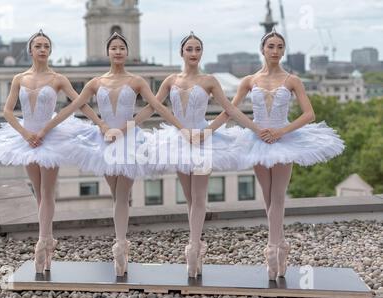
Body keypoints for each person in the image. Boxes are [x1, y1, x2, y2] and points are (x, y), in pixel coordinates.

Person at [36, 32, 187, 277]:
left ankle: (119, 245)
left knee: (122, 193)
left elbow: (156, 106)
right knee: (116, 194)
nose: (118, 51)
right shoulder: (95, 83)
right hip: (105, 140)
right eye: (114, 48)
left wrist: (179, 128)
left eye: (122, 48)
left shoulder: (137, 80)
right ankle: (120, 246)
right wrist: (47, 128)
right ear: (108, 52)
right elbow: (74, 106)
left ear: (126, 53)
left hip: (129, 141)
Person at [129, 32, 263, 278]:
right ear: (182, 52)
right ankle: (197, 245)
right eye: (189, 49)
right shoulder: (170, 80)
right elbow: (154, 107)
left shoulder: (210, 80)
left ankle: (192, 249)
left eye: (197, 49)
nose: (193, 53)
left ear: (201, 53)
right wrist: (127, 126)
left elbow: (229, 109)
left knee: (199, 196)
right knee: (190, 198)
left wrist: (214, 131)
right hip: (178, 141)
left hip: (203, 141)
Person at [216, 27, 345, 280]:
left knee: (278, 195)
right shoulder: (249, 80)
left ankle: (273, 249)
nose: (275, 51)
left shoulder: (292, 80)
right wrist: (210, 130)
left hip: (285, 140)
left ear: (283, 51)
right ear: (262, 50)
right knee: (267, 197)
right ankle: (281, 244)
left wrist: (281, 131)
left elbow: (310, 114)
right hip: (257, 140)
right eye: (271, 46)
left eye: (279, 47)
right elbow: (231, 110)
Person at [0, 30, 105, 274]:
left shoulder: (58, 78)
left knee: (47, 191)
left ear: (50, 50)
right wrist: (25, 134)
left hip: (51, 136)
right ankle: (48, 238)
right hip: (26, 137)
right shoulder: (19, 78)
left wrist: (101, 124)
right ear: (31, 50)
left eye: (46, 45)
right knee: (39, 193)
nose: (42, 49)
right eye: (38, 45)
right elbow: (7, 111)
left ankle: (42, 244)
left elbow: (80, 103)